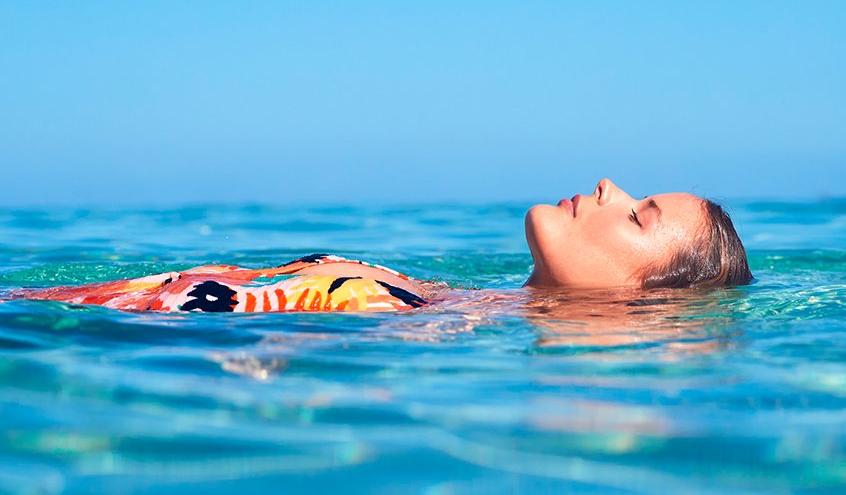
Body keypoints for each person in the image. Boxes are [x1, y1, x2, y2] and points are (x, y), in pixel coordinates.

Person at [12, 179, 752, 313]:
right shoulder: (447, 306)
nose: (606, 185)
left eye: (635, 217)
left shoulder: (441, 338)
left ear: (640, 295)